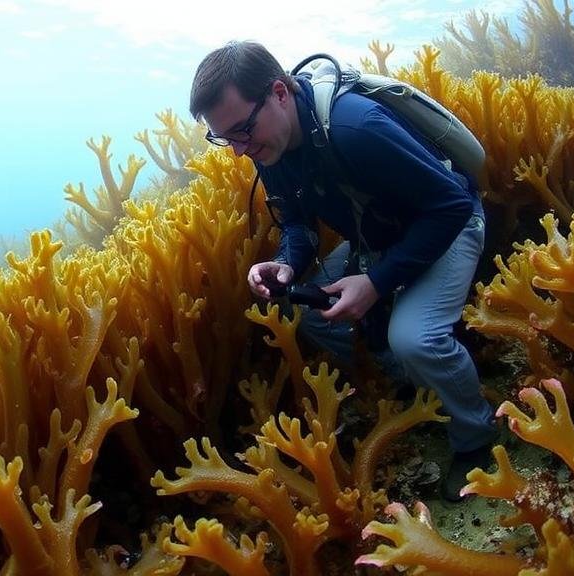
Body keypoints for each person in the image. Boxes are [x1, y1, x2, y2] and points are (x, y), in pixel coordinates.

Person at [189, 40, 498, 502]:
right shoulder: (269, 148)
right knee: (314, 315)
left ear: (278, 92)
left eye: (243, 131)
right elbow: (297, 223)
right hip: (380, 240)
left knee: (415, 337)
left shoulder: (357, 127)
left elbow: (450, 204)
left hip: (450, 226)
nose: (239, 150)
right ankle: (428, 381)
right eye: (225, 138)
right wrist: (286, 264)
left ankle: (477, 439)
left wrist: (375, 283)